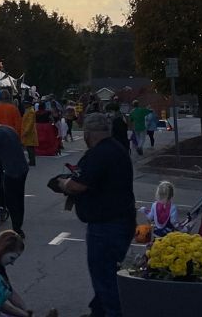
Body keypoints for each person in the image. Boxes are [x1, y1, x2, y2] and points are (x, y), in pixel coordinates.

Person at [48, 113, 135, 317]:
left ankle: (112, 312)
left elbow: (77, 185)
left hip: (106, 226)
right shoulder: (116, 149)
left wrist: (62, 183)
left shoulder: (99, 154)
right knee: (108, 275)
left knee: (105, 278)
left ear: (88, 133)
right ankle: (99, 311)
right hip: (121, 221)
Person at [0, 116, 30, 237]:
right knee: (19, 198)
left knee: (11, 200)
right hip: (23, 167)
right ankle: (18, 225)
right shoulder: (10, 129)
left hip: (11, 170)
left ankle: (16, 229)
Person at [20, 102, 38, 167]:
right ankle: (31, 160)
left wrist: (26, 131)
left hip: (29, 133)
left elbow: (30, 123)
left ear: (29, 104)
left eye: (26, 103)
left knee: (30, 147)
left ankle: (32, 161)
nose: (24, 105)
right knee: (29, 147)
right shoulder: (28, 110)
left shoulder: (31, 111)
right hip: (28, 132)